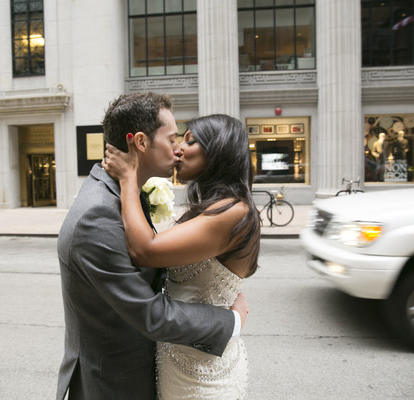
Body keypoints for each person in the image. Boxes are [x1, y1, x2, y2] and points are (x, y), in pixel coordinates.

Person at [56, 93, 249, 400]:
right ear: (141, 143)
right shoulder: (99, 214)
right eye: (173, 138)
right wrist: (232, 321)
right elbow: (150, 314)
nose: (178, 149)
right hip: (116, 383)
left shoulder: (120, 193)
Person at [102, 113, 261, 399]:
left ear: (219, 149)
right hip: (179, 361)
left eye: (190, 141)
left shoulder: (234, 211)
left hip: (205, 376)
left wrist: (128, 179)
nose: (179, 149)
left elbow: (144, 251)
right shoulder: (216, 206)